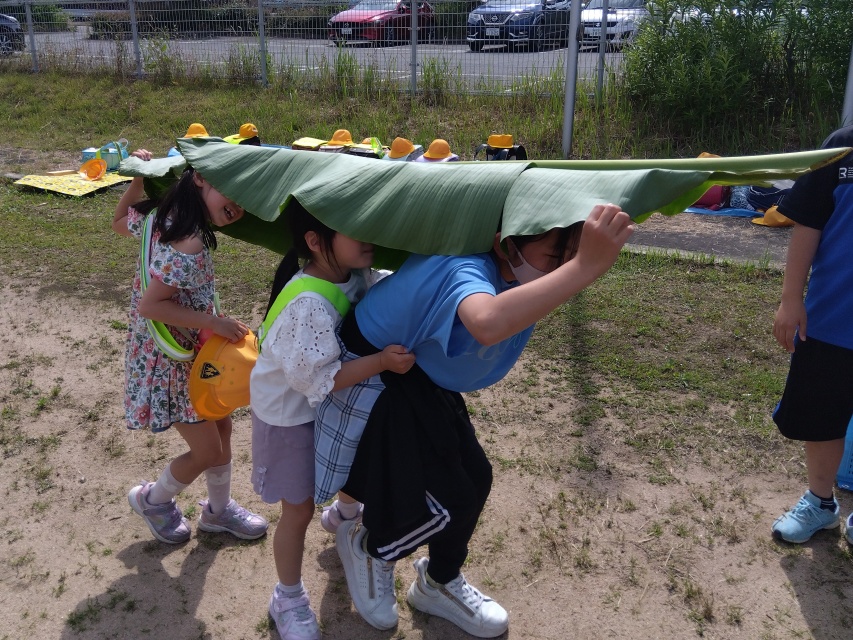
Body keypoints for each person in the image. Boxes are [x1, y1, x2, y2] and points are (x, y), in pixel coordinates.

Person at [314, 203, 635, 636]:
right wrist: (585, 266)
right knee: (436, 492)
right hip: (377, 367)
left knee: (476, 476)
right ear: (505, 243)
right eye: (556, 258)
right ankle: (369, 547)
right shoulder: (462, 267)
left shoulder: (512, 271)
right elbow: (485, 323)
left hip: (414, 369)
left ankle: (438, 582)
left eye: (571, 257)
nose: (562, 270)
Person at [250, 201, 415, 640]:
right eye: (355, 230)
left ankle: (343, 515)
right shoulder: (308, 303)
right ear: (315, 242)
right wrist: (382, 361)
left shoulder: (352, 273)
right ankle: (287, 597)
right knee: (298, 508)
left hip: (320, 404)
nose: (368, 238)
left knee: (350, 449)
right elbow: (325, 378)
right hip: (289, 417)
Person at [112, 148, 268, 545]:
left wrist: (138, 181)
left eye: (245, 198)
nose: (236, 205)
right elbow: (153, 305)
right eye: (229, 191)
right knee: (206, 451)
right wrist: (213, 322)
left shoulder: (163, 217)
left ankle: (218, 512)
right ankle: (153, 499)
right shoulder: (189, 242)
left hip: (187, 354)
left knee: (223, 426)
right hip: (172, 361)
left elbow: (118, 222)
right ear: (199, 176)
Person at [769, 124, 853, 544]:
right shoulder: (841, 146)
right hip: (830, 319)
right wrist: (790, 299)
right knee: (821, 418)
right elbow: (808, 225)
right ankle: (821, 504)